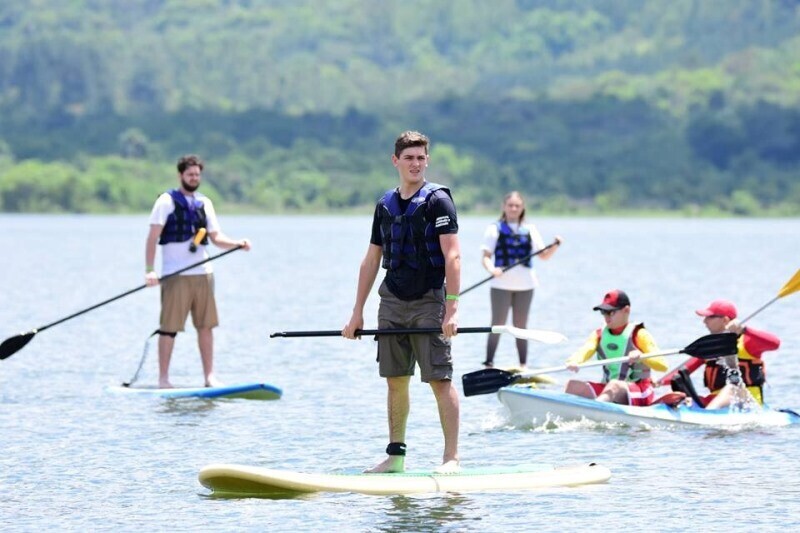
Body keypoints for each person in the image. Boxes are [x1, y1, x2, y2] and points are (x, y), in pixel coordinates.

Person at [342, 131, 461, 474]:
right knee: (395, 379)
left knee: (439, 379)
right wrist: (356, 313)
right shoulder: (384, 204)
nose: (415, 164)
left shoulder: (438, 201)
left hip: (428, 300)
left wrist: (451, 308)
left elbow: (453, 256)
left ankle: (451, 457)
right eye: (409, 158)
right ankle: (396, 456)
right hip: (391, 299)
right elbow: (371, 260)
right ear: (395, 161)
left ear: (428, 160)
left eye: (421, 158)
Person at [144, 154, 251, 388]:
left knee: (206, 325)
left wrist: (236, 244)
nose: (194, 178)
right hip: (175, 275)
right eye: (190, 174)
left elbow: (216, 238)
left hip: (203, 273)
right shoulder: (165, 201)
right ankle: (163, 379)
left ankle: (209, 377)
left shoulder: (205, 203)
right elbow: (152, 238)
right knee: (169, 328)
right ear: (181, 175)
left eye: (197, 175)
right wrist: (150, 270)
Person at [480, 191, 561, 369]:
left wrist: (555, 245)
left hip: (526, 286)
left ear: (522, 207)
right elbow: (485, 257)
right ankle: (489, 363)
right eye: (510, 205)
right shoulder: (494, 229)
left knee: (521, 326)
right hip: (500, 285)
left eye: (517, 205)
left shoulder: (530, 230)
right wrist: (492, 269)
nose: (513, 208)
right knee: (497, 324)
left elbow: (544, 255)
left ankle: (523, 365)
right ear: (504, 207)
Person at [661, 299, 780, 409]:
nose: (704, 321)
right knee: (676, 392)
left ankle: (707, 416)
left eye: (710, 317)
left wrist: (744, 329)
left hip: (748, 402)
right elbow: (682, 370)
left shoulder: (747, 343)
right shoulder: (712, 346)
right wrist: (658, 382)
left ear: (725, 320)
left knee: (732, 389)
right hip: (716, 401)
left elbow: (775, 343)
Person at [564, 290, 667, 406]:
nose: (606, 317)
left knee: (614, 385)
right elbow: (585, 350)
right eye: (603, 312)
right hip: (610, 390)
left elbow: (662, 366)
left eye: (611, 312)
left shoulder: (640, 334)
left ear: (626, 310)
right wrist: (573, 361)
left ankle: (596, 411)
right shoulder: (599, 334)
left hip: (641, 391)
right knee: (573, 386)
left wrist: (641, 356)